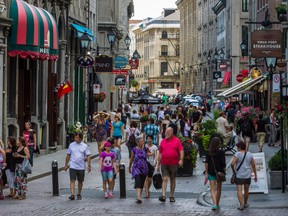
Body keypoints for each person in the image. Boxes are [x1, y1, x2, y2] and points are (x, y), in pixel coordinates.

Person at [157, 127, 184, 203]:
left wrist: (181, 159)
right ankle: (163, 195)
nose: (166, 134)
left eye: (168, 132)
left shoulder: (177, 141)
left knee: (172, 179)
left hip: (174, 163)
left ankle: (171, 195)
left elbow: (181, 150)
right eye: (166, 132)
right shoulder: (163, 141)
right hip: (164, 163)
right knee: (165, 178)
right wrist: (158, 164)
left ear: (172, 133)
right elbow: (160, 153)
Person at [231, 141, 257, 210]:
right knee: (246, 190)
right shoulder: (249, 154)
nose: (237, 148)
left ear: (239, 147)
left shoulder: (237, 154)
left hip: (239, 174)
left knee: (239, 189)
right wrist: (255, 175)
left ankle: (241, 205)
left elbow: (232, 164)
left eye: (237, 147)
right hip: (247, 174)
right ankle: (245, 203)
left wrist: (234, 171)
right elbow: (253, 165)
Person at [65, 132, 91, 200]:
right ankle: (72, 194)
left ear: (81, 138)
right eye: (75, 138)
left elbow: (88, 156)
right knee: (72, 180)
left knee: (80, 181)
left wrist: (89, 165)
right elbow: (68, 155)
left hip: (81, 166)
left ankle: (79, 194)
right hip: (72, 165)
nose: (76, 139)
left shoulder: (85, 146)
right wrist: (66, 164)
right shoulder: (71, 145)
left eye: (77, 138)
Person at [204, 137, 226, 210]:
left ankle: (214, 204)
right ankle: (217, 203)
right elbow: (224, 164)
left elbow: (206, 163)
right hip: (219, 172)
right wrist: (224, 171)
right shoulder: (221, 152)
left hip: (211, 172)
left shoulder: (208, 152)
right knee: (219, 189)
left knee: (212, 189)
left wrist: (206, 173)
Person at [128, 137, 148, 204]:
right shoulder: (134, 150)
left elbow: (150, 154)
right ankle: (138, 197)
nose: (143, 142)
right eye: (141, 141)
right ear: (138, 142)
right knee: (138, 181)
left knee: (142, 183)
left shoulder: (145, 148)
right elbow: (131, 159)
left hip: (144, 168)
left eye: (143, 141)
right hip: (136, 168)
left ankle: (139, 196)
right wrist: (129, 167)